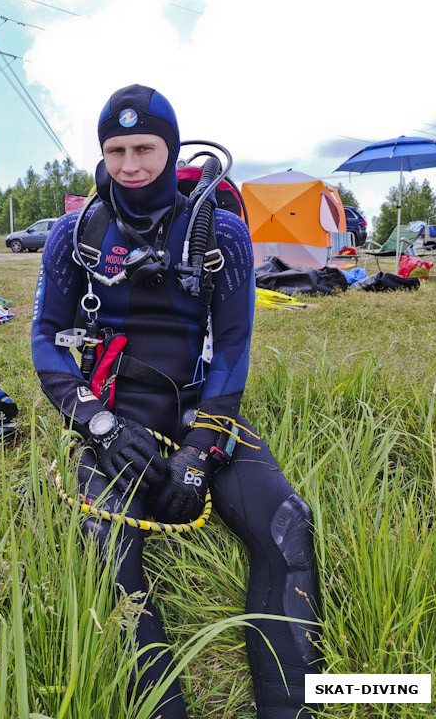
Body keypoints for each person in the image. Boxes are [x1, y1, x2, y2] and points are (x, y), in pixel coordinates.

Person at [31, 84, 321, 719]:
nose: (130, 164)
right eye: (116, 150)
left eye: (145, 147)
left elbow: (234, 353)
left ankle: (297, 705)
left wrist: (202, 449)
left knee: (288, 527)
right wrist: (98, 424)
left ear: (171, 145)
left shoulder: (221, 233)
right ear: (102, 153)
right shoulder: (74, 236)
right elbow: (45, 341)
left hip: (200, 412)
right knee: (105, 552)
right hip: (115, 415)